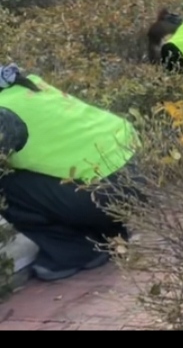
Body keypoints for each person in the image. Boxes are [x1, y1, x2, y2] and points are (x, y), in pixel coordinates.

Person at [0, 63, 139, 282]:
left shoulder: (3, 113)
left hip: (105, 193)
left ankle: (74, 251)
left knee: (4, 184)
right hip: (142, 174)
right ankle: (109, 233)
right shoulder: (29, 85)